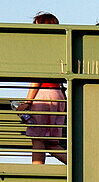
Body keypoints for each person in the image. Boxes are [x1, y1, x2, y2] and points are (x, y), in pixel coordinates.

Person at [15, 13, 67, 165]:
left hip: (44, 96)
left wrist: (27, 102)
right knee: (51, 142)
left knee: (37, 138)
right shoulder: (61, 48)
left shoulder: (42, 48)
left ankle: (36, 172)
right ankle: (80, 168)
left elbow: (37, 78)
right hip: (58, 96)